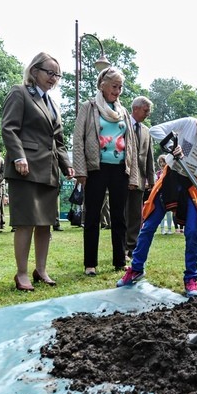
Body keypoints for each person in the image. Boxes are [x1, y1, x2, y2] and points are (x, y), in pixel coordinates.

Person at [117, 98, 197, 298]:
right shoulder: (188, 124)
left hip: (191, 185)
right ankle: (136, 268)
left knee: (192, 231)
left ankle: (191, 279)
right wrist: (172, 146)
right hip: (170, 179)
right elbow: (156, 130)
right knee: (149, 225)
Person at [1, 52, 73, 291]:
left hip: (49, 170)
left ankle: (41, 270)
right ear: (34, 71)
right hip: (26, 168)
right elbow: (9, 128)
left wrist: (66, 165)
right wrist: (19, 156)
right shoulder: (19, 92)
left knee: (45, 223)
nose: (54, 78)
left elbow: (59, 140)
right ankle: (21, 273)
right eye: (49, 72)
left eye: (57, 74)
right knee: (25, 222)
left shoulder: (52, 103)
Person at [72, 67, 139, 276]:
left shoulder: (123, 111)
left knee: (119, 216)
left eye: (120, 87)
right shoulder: (88, 107)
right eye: (114, 86)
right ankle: (90, 263)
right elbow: (78, 139)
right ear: (102, 85)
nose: (118, 91)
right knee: (92, 216)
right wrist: (80, 170)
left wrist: (133, 175)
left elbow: (131, 145)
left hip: (120, 169)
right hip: (96, 169)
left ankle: (120, 260)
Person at [124, 96, 155, 259]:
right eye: (146, 110)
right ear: (135, 108)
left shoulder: (146, 131)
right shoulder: (122, 124)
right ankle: (121, 246)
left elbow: (150, 157)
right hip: (123, 177)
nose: (148, 114)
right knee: (122, 213)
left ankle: (132, 247)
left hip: (141, 179)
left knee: (136, 214)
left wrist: (152, 180)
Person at [156, 155, 174, 235]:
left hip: (169, 194)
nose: (162, 164)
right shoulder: (158, 173)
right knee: (161, 212)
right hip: (160, 194)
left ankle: (169, 229)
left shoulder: (170, 172)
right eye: (160, 162)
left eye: (163, 161)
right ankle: (162, 229)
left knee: (169, 213)